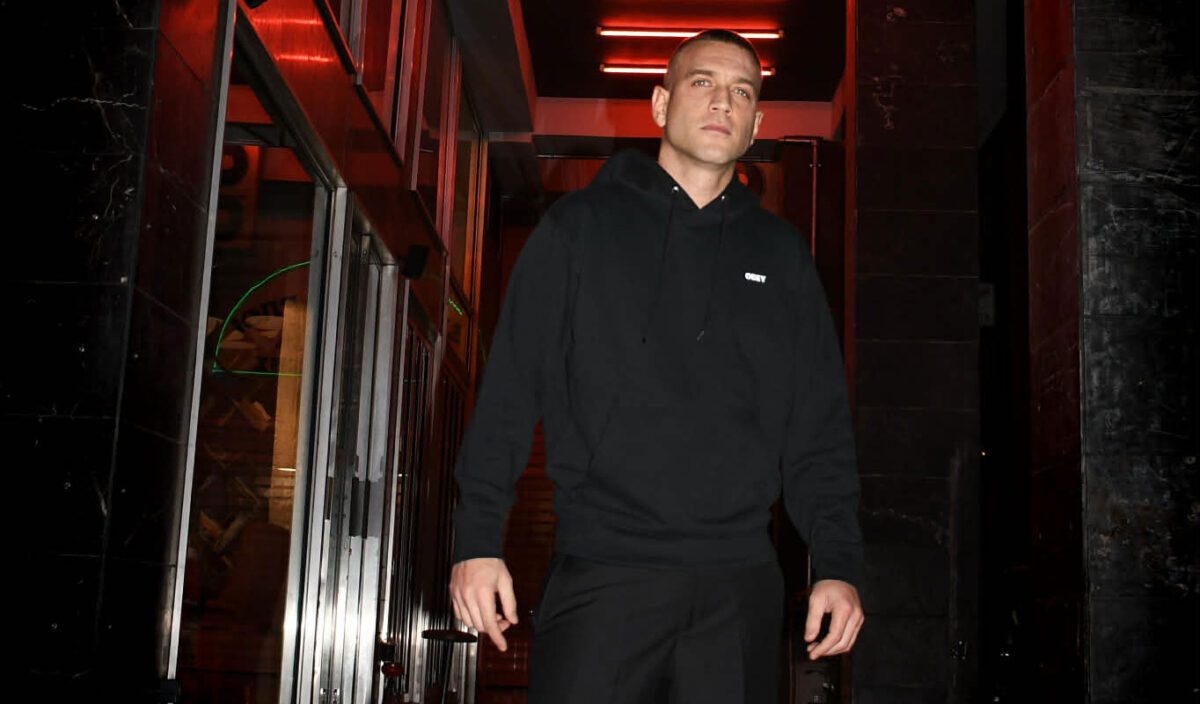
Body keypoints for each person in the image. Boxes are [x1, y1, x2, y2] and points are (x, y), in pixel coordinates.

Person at [449, 29, 864, 703]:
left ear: (757, 123)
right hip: (602, 576)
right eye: (703, 82)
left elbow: (818, 430)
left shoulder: (783, 256)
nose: (722, 101)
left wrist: (839, 564)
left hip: (738, 589)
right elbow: (510, 394)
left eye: (742, 92)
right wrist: (476, 541)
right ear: (660, 104)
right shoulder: (577, 228)